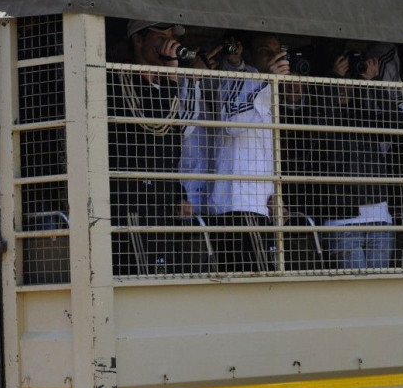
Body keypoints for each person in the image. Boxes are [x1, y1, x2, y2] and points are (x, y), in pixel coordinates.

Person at [108, 20, 197, 275]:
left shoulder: (164, 86)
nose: (170, 45)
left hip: (162, 203)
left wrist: (177, 192)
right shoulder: (120, 79)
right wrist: (171, 76)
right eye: (161, 38)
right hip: (134, 202)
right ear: (138, 40)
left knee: (167, 274)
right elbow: (155, 126)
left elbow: (170, 147)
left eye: (172, 38)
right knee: (141, 273)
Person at [320, 42, 403, 270]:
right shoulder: (326, 110)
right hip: (343, 221)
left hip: (380, 217)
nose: (346, 85)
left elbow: (396, 125)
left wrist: (372, 83)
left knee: (379, 293)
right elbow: (323, 121)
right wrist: (333, 78)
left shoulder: (365, 113)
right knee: (353, 296)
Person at [206, 32, 290, 272]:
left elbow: (267, 148)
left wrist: (276, 192)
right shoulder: (236, 77)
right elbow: (233, 123)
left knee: (263, 281)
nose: (274, 57)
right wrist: (267, 84)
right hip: (236, 204)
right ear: (249, 53)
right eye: (266, 51)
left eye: (278, 52)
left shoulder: (270, 87)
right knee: (242, 281)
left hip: (261, 205)